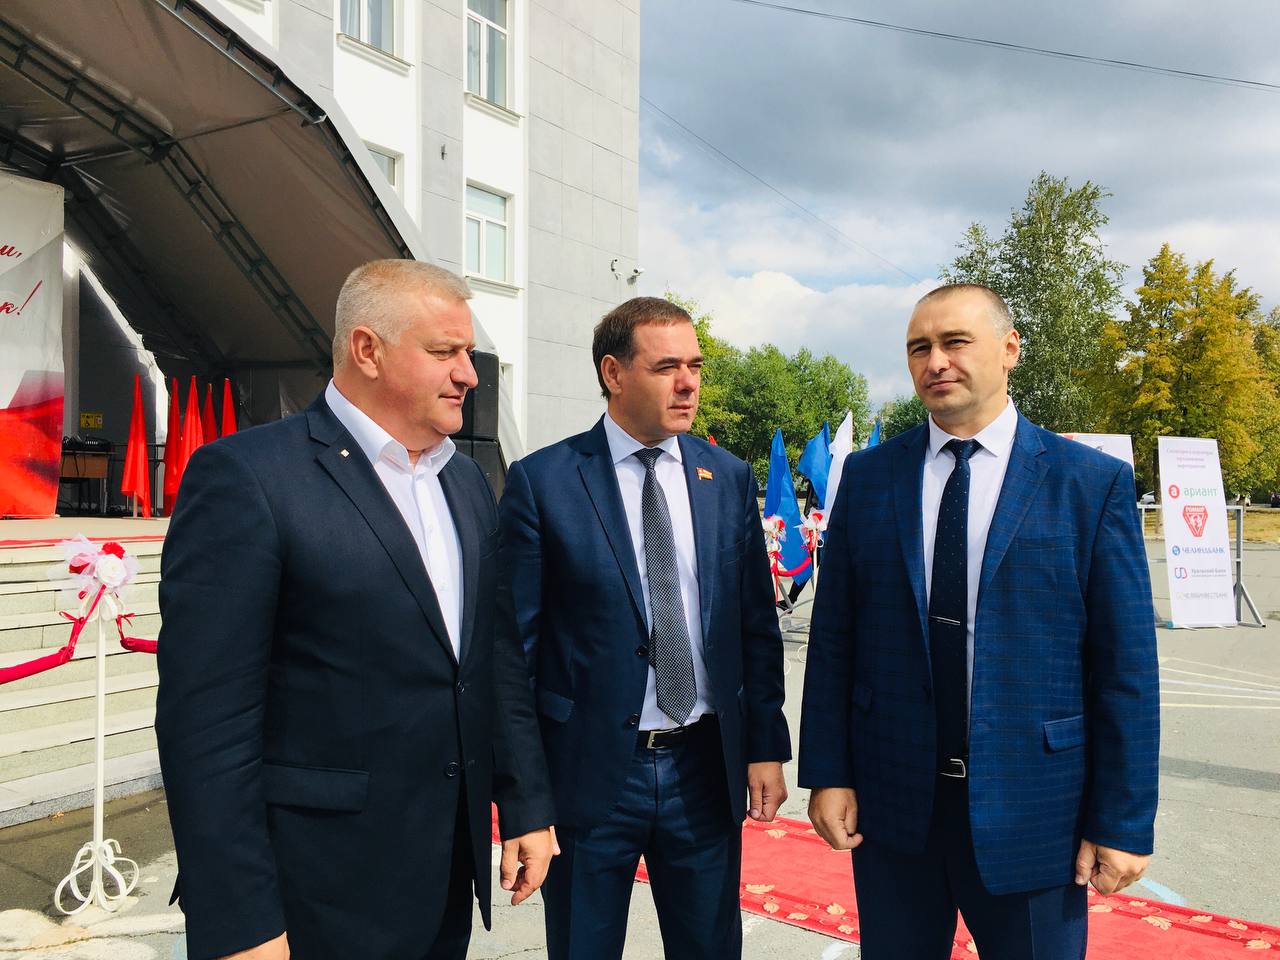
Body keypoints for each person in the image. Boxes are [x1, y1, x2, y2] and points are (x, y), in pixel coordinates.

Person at [156, 260, 556, 960]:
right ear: (367, 350)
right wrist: (239, 922)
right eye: (445, 352)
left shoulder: (465, 480)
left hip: (443, 877)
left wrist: (524, 802)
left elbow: (491, 658)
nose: (469, 375)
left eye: (469, 353)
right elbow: (207, 724)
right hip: (312, 893)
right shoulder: (248, 477)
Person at [800, 283, 1159, 959]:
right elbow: (835, 640)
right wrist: (829, 771)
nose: (935, 361)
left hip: (1037, 813)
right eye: (919, 348)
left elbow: (1126, 669)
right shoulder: (870, 478)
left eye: (955, 342)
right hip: (892, 804)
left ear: (1009, 349)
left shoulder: (1088, 484)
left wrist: (1123, 819)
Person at [497, 297, 791, 960]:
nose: (688, 383)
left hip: (703, 770)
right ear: (614, 373)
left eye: (695, 366)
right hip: (589, 776)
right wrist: (524, 799)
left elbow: (754, 626)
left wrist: (765, 747)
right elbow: (514, 657)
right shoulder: (544, 482)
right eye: (666, 368)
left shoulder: (728, 479)